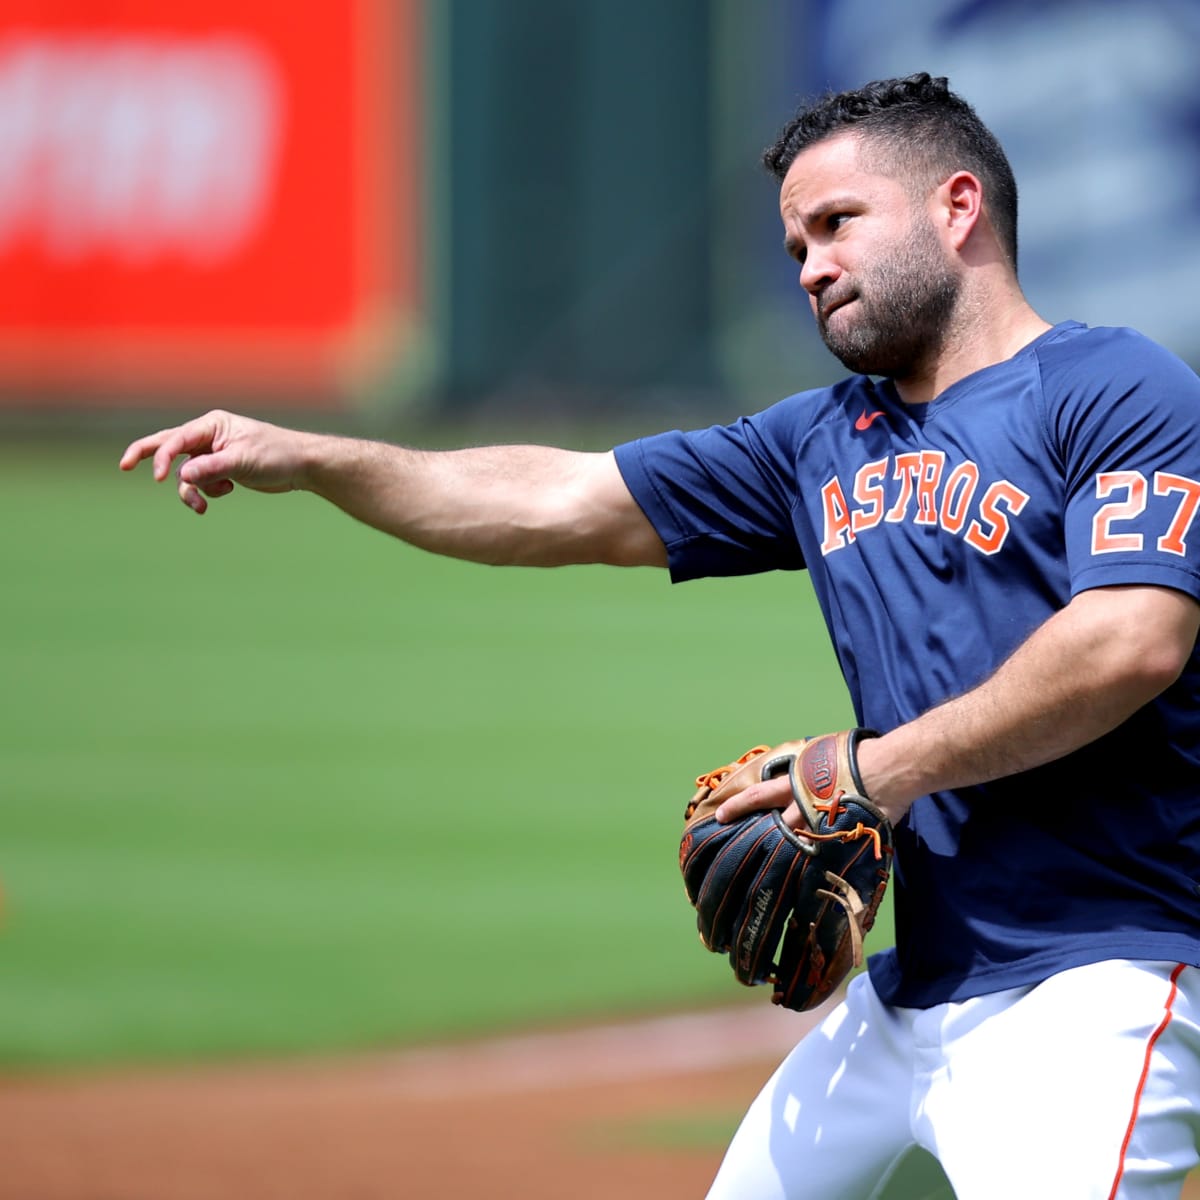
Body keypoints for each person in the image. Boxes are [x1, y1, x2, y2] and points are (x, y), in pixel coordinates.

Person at [121, 73, 1200, 1198]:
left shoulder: (1114, 389)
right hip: (913, 989)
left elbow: (1130, 641)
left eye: (837, 224)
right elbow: (554, 501)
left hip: (1099, 978)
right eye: (793, 247)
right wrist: (324, 459)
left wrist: (869, 773)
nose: (812, 268)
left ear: (958, 207)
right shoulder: (824, 439)